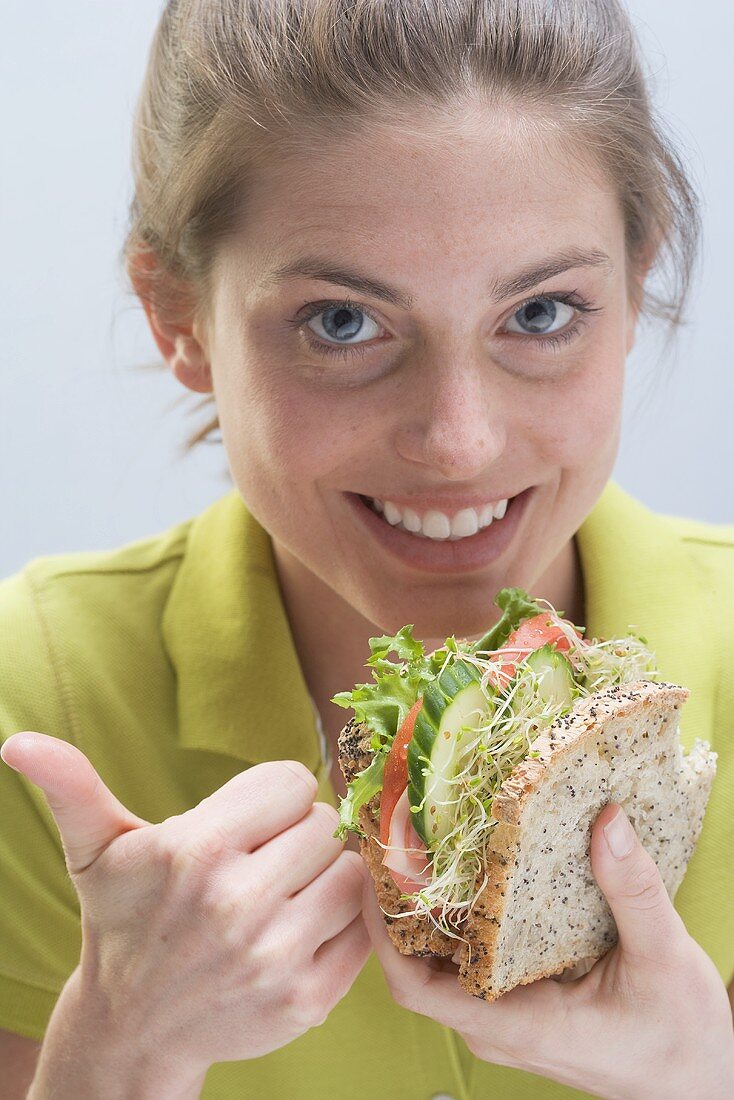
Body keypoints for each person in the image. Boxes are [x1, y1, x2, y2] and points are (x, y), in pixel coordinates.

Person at [1, 0, 733, 1096]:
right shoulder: (37, 699)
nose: (456, 442)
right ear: (177, 317)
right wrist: (117, 1050)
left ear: (634, 285)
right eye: (340, 321)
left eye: (538, 313)